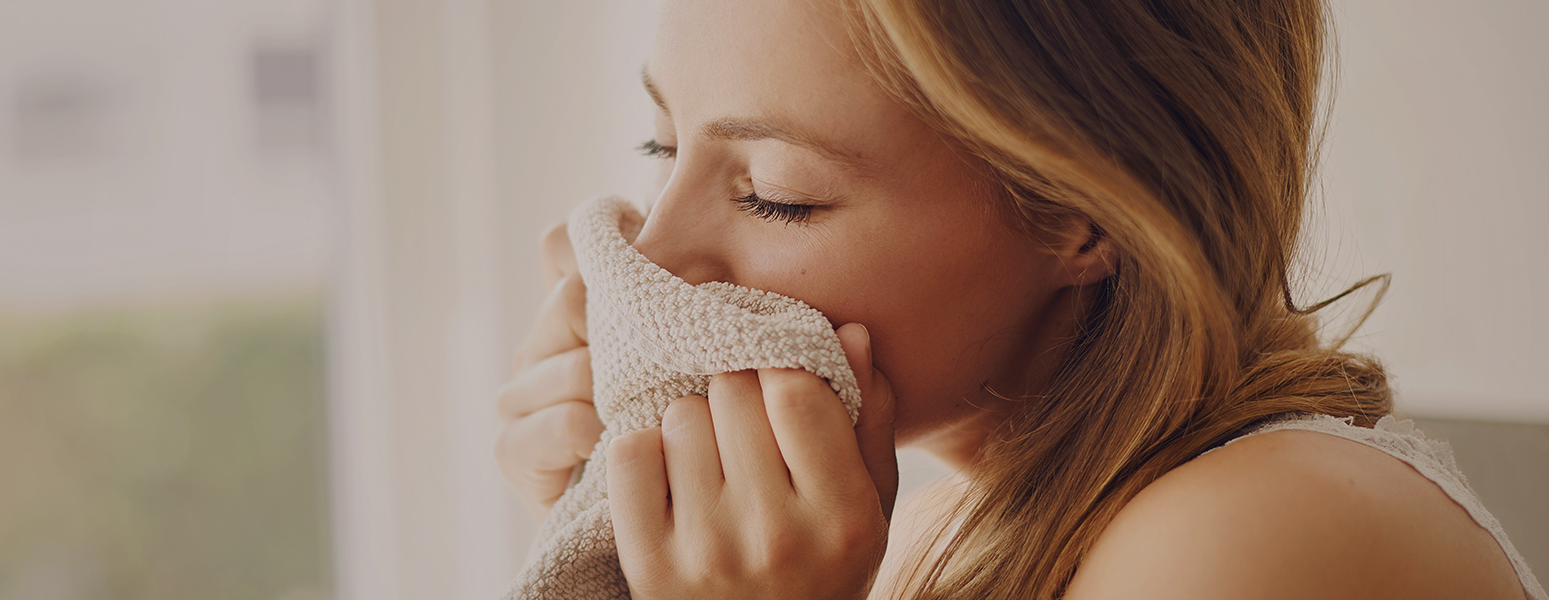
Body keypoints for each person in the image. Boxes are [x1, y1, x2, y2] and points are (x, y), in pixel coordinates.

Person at [493, 0, 1541, 598]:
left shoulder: (1246, 538)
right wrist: (621, 540)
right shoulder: (922, 535)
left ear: (1082, 213)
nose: (657, 252)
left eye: (776, 195)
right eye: (660, 147)